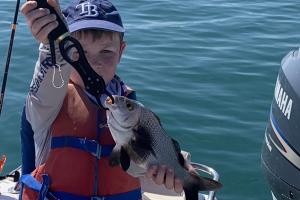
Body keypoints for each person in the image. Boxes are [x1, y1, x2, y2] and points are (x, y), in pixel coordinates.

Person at [19, 0, 191, 199]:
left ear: (121, 52)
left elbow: (136, 167)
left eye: (106, 52)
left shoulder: (130, 105)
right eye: (80, 52)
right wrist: (52, 47)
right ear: (65, 52)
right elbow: (46, 86)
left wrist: (173, 167)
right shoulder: (49, 100)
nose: (94, 64)